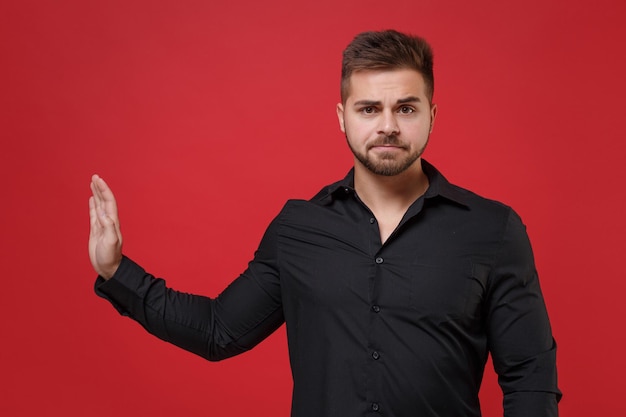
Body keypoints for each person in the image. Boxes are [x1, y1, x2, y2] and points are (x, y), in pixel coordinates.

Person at [89, 30, 561, 417]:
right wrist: (117, 271)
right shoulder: (298, 229)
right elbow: (218, 330)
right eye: (369, 108)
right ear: (342, 117)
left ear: (432, 116)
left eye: (407, 108)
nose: (389, 126)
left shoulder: (493, 230)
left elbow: (530, 379)